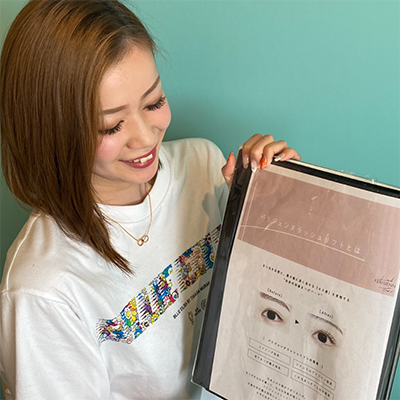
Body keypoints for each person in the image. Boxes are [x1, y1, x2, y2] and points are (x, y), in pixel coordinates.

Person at [0, 0, 300, 399]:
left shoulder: (202, 162)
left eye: (154, 102)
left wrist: (271, 215)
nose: (145, 138)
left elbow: (263, 316)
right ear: (52, 130)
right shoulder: (42, 292)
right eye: (111, 126)